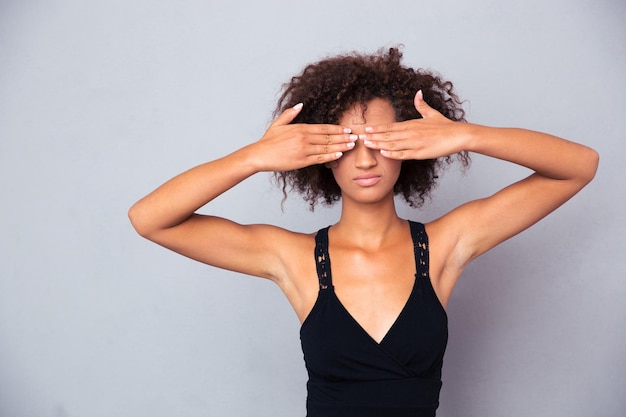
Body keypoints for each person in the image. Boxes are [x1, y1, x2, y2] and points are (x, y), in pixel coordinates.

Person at [128, 47, 598, 417]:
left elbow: (579, 167)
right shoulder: (292, 258)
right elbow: (150, 218)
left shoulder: (442, 247)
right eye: (346, 144)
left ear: (409, 146)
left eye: (380, 141)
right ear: (320, 153)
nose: (366, 160)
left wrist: (467, 135)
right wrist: (253, 157)